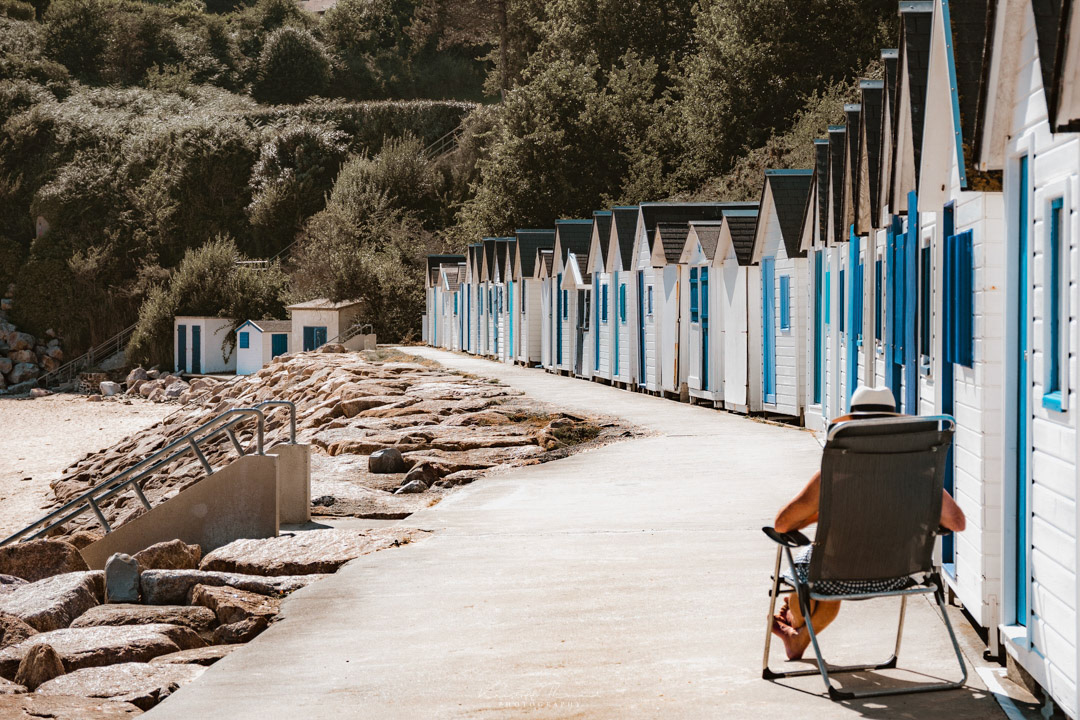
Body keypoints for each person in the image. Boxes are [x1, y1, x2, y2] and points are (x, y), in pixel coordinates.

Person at [769, 385, 966, 661]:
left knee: (809, 579)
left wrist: (822, 513)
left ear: (854, 428)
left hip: (836, 576)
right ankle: (797, 639)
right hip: (896, 574)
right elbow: (956, 523)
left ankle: (794, 624)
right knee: (818, 581)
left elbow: (782, 525)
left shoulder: (835, 472)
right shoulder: (917, 472)